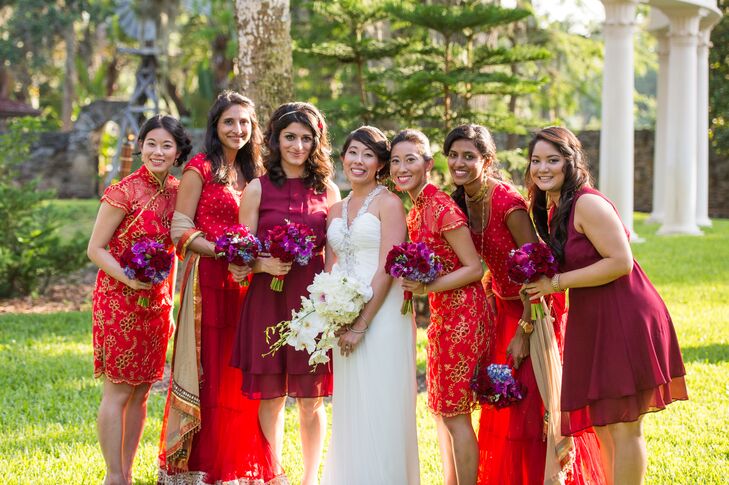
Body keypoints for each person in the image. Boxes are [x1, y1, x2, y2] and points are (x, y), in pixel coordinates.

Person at [523, 126, 688, 485]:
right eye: (536, 161)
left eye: (552, 160)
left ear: (571, 162)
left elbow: (620, 261)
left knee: (623, 426)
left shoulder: (587, 203)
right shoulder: (554, 208)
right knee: (602, 424)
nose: (542, 168)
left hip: (624, 315)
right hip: (594, 318)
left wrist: (554, 283)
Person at [447, 124, 605, 485]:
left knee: (531, 411)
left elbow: (538, 272)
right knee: (503, 407)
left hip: (535, 310)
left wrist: (524, 331)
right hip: (503, 309)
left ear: (486, 161)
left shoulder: (506, 203)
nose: (460, 162)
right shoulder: (463, 200)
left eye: (469, 156)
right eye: (453, 155)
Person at [158, 91, 286, 484]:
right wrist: (221, 251)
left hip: (249, 286)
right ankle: (202, 467)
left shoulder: (256, 173)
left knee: (241, 372)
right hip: (208, 284)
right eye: (229, 121)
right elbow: (180, 227)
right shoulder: (200, 168)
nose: (237, 129)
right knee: (209, 370)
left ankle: (239, 466)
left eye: (244, 122)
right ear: (215, 126)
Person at [230, 102, 340, 485]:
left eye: (306, 138)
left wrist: (330, 306)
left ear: (316, 142)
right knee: (272, 397)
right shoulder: (257, 188)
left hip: (311, 306)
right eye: (290, 137)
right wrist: (260, 264)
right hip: (268, 301)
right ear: (275, 140)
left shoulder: (328, 191)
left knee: (311, 400)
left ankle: (310, 479)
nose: (298, 145)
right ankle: (273, 475)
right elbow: (240, 255)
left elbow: (334, 254)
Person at [89, 115, 191, 485]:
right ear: (140, 146)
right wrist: (129, 280)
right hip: (118, 301)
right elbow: (96, 249)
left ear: (178, 151)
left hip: (157, 307)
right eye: (151, 143)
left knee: (143, 392)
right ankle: (114, 476)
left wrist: (173, 304)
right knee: (117, 391)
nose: (158, 151)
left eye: (166, 145)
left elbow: (175, 253)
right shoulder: (123, 192)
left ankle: (128, 471)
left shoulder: (179, 192)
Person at [320, 126, 420, 484]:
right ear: (343, 157)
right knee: (352, 404)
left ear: (379, 163)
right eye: (353, 152)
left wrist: (362, 322)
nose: (358, 161)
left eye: (368, 155)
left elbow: (388, 267)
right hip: (342, 317)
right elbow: (329, 266)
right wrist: (331, 311)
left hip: (381, 315)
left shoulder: (389, 203)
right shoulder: (334, 208)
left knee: (382, 399)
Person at [390, 128, 488, 485]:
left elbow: (475, 267)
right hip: (443, 316)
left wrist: (427, 285)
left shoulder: (441, 207)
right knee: (444, 412)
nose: (402, 167)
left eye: (410, 159)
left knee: (455, 414)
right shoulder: (416, 208)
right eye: (395, 161)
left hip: (464, 315)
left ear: (428, 164)